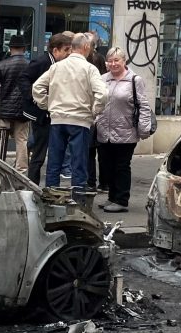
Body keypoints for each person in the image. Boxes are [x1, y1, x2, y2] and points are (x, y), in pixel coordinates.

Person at [32, 32, 107, 198]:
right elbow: (103, 93)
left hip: (57, 119)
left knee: (54, 163)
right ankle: (77, 202)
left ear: (72, 47)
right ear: (86, 47)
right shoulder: (89, 69)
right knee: (78, 164)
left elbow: (37, 88)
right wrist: (94, 110)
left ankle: (51, 200)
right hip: (80, 120)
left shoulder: (57, 67)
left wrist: (48, 105)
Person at [95, 46, 153, 212]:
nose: (113, 64)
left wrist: (144, 129)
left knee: (121, 166)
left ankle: (121, 200)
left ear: (124, 61)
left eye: (116, 60)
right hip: (104, 131)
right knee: (107, 166)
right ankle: (112, 197)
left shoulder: (135, 80)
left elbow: (143, 105)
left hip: (126, 132)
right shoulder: (103, 79)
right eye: (110, 61)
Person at [18, 32, 73, 185]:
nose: (69, 53)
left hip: (51, 113)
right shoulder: (42, 62)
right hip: (41, 114)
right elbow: (23, 78)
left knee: (47, 149)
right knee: (39, 152)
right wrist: (33, 98)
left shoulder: (58, 64)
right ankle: (32, 185)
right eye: (66, 50)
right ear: (55, 50)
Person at [0, 34, 30, 173]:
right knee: (21, 140)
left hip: (5, 109)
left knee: (1, 140)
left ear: (10, 49)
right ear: (24, 48)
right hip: (23, 110)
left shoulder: (2, 65)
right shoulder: (29, 65)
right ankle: (21, 170)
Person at [85, 32, 108, 192]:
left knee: (89, 151)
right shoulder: (99, 59)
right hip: (99, 108)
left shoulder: (88, 62)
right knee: (101, 150)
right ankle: (103, 183)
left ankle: (91, 182)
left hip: (92, 109)